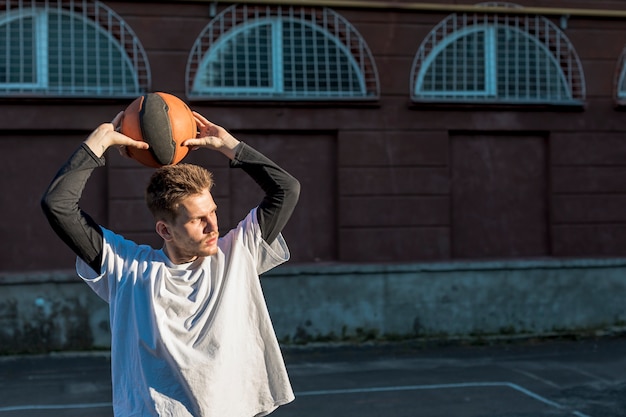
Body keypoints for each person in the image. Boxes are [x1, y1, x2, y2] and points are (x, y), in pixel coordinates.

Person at [41, 109, 300, 417]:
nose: (213, 227)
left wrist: (229, 145)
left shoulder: (237, 254)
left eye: (213, 212)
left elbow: (286, 189)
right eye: (198, 220)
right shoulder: (127, 268)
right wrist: (99, 141)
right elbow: (58, 206)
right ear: (165, 230)